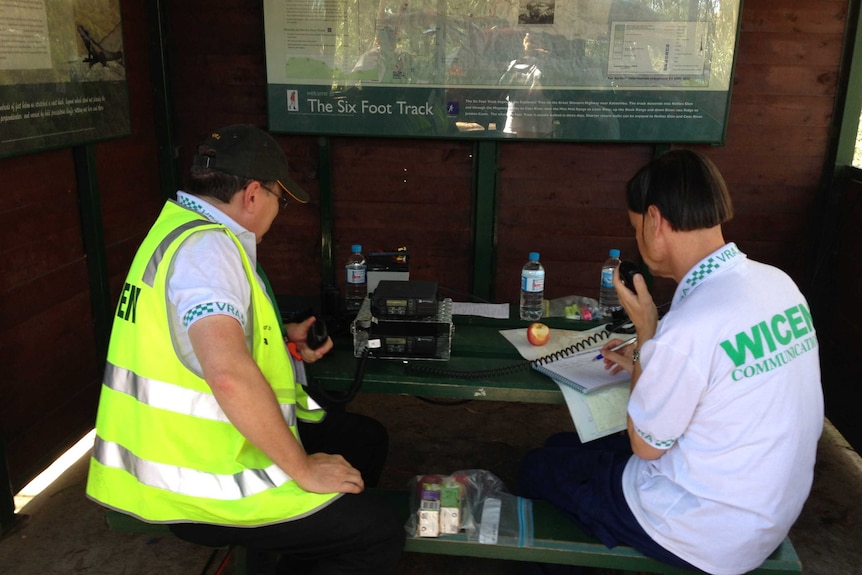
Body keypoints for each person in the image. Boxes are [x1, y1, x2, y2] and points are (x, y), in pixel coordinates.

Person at [86, 124, 404, 573]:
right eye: (280, 198)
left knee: (363, 439)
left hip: (189, 450)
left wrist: (283, 336)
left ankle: (305, 547)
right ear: (253, 194)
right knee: (376, 533)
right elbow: (227, 374)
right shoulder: (208, 250)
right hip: (202, 480)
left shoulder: (177, 227)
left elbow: (194, 343)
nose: (280, 210)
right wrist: (304, 469)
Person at [518, 149, 823, 575]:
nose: (637, 239)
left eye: (635, 226)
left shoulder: (691, 325)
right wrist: (653, 344)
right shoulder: (779, 285)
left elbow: (645, 445)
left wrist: (649, 334)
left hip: (701, 532)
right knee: (566, 447)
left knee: (538, 466)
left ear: (655, 220)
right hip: (768, 512)